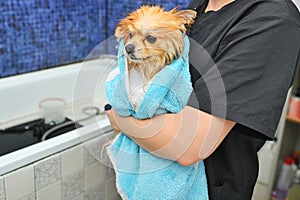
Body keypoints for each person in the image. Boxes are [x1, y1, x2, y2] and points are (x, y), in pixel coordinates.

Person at [105, 0, 300, 199]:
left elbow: (187, 144)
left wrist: (118, 117)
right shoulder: (199, 5)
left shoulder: (272, 20)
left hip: (211, 189)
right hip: (153, 176)